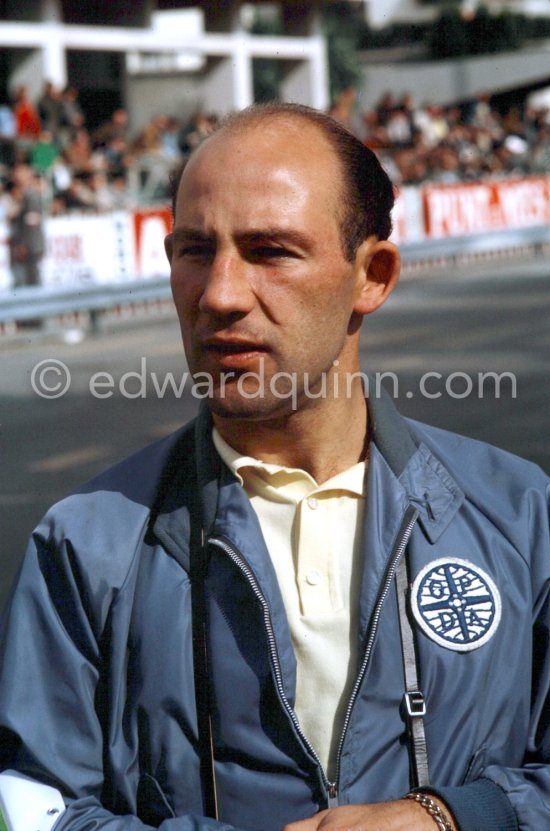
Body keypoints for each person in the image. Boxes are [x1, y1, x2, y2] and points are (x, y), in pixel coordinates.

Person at [0, 103, 549, 831]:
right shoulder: (82, 546)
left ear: (372, 276)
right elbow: (35, 808)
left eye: (270, 251)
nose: (221, 294)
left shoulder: (520, 516)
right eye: (196, 250)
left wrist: (453, 816)